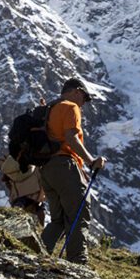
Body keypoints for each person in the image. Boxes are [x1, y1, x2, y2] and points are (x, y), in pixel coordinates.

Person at [39, 77, 106, 263]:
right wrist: (91, 161)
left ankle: (37, 255)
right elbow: (71, 138)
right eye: (84, 97)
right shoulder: (70, 107)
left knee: (58, 221)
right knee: (79, 213)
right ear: (76, 91)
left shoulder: (49, 108)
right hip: (65, 166)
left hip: (46, 170)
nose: (83, 103)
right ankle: (78, 262)